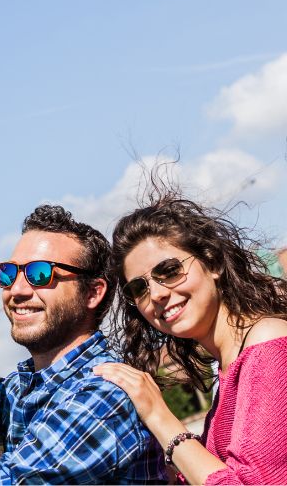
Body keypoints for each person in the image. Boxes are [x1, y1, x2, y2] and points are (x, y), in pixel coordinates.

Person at [0, 205, 165, 484]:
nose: (16, 290)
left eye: (39, 274)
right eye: (8, 273)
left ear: (92, 292)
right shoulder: (17, 388)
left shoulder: (105, 394)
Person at [94, 193, 287, 484]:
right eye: (139, 288)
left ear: (212, 263)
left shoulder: (267, 343)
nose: (157, 294)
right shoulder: (229, 364)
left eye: (169, 271)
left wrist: (157, 413)